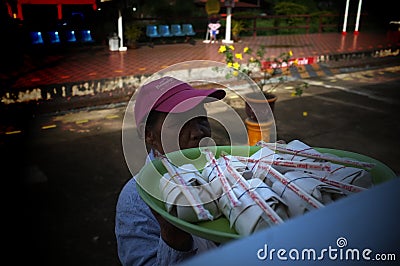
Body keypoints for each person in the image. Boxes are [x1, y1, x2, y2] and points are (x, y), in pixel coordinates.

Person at [115, 76, 226, 265]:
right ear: (148, 134)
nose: (198, 132)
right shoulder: (135, 200)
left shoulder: (220, 167)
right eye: (180, 123)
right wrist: (173, 237)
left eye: (201, 119)